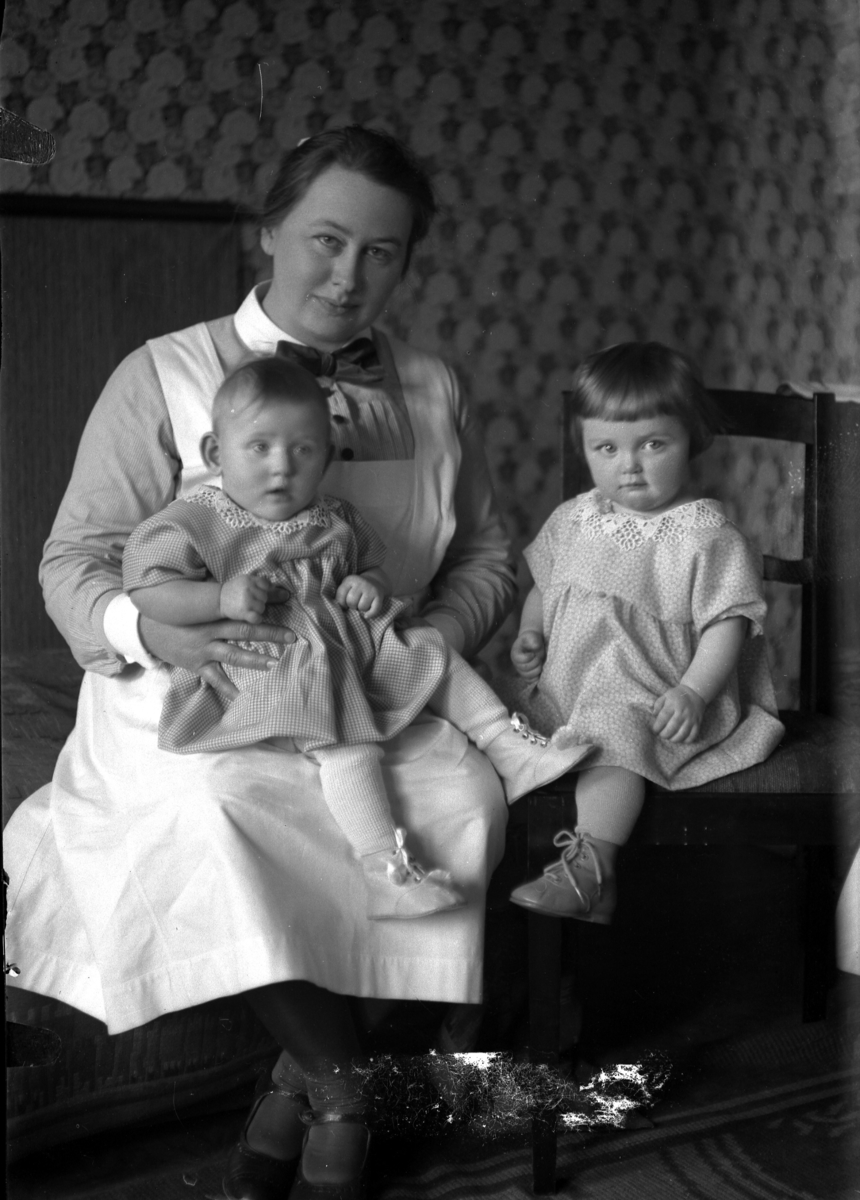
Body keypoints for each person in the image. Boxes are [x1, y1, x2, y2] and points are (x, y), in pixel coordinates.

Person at [3, 126, 523, 1200]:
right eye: (326, 239)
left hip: (367, 693)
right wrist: (151, 630)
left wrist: (435, 637)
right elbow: (75, 560)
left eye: (381, 251)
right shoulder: (164, 373)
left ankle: (294, 1085)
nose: (347, 275)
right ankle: (341, 1088)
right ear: (270, 232)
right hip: (203, 693)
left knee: (467, 802)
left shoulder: (432, 386)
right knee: (221, 812)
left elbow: (486, 553)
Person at [123, 355, 590, 921]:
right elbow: (148, 590)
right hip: (278, 660)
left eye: (303, 450)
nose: (282, 468)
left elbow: (370, 566)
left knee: (433, 653)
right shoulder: (196, 520)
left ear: (325, 455)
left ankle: (509, 749)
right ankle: (384, 868)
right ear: (216, 454)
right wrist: (218, 598)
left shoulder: (332, 514)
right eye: (260, 447)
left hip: (352, 643)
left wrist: (371, 585)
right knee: (349, 745)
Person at [507, 342, 785, 924]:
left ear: (693, 438)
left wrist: (694, 692)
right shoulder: (576, 517)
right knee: (490, 722)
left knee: (615, 737)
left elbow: (727, 626)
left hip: (661, 694)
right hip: (569, 687)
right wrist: (532, 633)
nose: (628, 465)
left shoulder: (708, 536)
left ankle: (592, 870)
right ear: (584, 446)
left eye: (653, 444)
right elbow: (544, 588)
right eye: (606, 448)